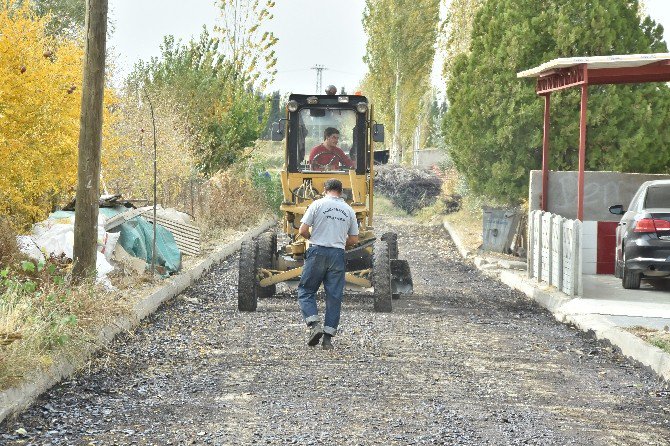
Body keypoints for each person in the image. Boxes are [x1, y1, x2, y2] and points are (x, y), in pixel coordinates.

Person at [297, 178, 359, 350]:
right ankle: (327, 340)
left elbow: (302, 230)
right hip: (337, 254)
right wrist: (338, 243)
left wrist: (314, 239)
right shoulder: (349, 210)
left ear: (325, 189)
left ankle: (314, 324)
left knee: (306, 290)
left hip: (317, 251)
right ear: (341, 191)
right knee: (334, 297)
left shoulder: (317, 205)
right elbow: (354, 238)